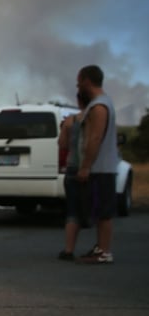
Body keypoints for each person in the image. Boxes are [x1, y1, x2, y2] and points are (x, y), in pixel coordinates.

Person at [74, 65, 119, 265]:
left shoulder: (99, 106)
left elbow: (95, 137)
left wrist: (85, 166)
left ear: (87, 81)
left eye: (79, 81)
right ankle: (100, 247)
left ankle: (104, 251)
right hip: (101, 167)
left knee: (104, 212)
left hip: (101, 168)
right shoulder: (102, 103)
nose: (77, 85)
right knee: (101, 211)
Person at [58, 90, 90, 261]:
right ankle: (101, 247)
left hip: (73, 167)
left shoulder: (71, 120)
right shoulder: (98, 118)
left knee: (72, 210)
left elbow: (62, 144)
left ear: (79, 101)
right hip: (94, 168)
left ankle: (69, 249)